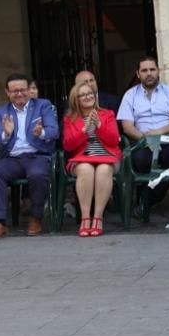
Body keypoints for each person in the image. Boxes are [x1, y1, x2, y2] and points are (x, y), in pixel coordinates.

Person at [0, 73, 59, 240]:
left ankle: (36, 217)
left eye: (23, 90)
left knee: (37, 174)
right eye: (14, 91)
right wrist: (5, 132)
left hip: (37, 155)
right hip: (12, 158)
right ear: (7, 92)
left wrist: (42, 132)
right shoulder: (1, 112)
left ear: (29, 90)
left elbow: (54, 131)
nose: (19, 94)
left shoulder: (43, 106)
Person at [117, 57, 169, 205]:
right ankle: (146, 200)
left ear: (158, 71)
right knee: (140, 160)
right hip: (142, 142)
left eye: (152, 69)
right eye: (144, 70)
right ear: (138, 74)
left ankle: (147, 201)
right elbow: (127, 127)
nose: (149, 73)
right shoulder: (130, 95)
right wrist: (147, 139)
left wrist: (159, 133)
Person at [62, 81, 122, 238]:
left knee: (103, 168)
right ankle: (85, 218)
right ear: (76, 99)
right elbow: (68, 145)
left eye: (90, 94)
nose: (88, 97)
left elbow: (114, 140)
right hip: (82, 158)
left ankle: (98, 218)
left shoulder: (107, 114)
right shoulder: (70, 119)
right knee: (86, 168)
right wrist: (84, 129)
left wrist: (100, 125)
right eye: (83, 95)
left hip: (107, 157)